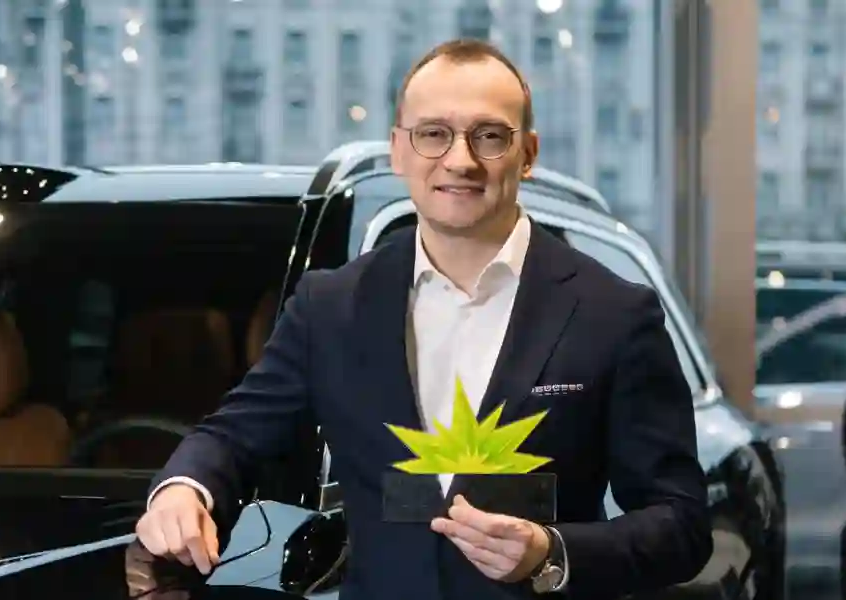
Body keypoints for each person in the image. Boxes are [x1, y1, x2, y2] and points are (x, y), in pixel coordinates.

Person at [133, 39, 713, 599]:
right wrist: (184, 490)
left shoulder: (613, 313)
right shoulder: (330, 307)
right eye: (433, 134)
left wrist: (553, 553)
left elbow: (681, 524)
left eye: (489, 136)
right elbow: (233, 436)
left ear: (528, 154)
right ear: (399, 150)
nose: (459, 160)